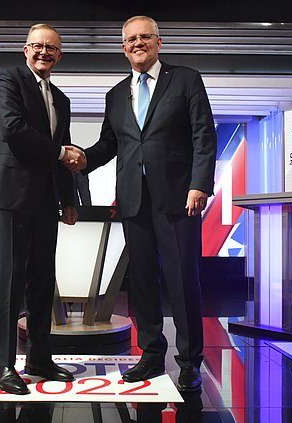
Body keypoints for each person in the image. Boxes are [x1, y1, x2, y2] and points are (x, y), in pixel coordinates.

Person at [76, 15, 217, 392]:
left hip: (178, 198)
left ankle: (189, 362)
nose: (137, 43)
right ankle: (152, 354)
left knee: (183, 280)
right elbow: (111, 144)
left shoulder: (185, 79)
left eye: (144, 37)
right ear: (123, 48)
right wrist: (83, 158)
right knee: (141, 282)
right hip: (133, 201)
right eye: (130, 39)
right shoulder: (116, 94)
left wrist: (199, 183)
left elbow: (204, 134)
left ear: (158, 42)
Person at [0, 23, 85, 395]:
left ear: (60, 55)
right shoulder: (7, 78)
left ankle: (40, 358)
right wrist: (60, 152)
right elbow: (12, 129)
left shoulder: (61, 98)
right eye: (38, 46)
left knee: (42, 282)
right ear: (26, 49)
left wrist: (70, 200)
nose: (44, 52)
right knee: (7, 282)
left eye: (52, 48)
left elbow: (66, 150)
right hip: (8, 197)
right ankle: (4, 365)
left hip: (45, 201)